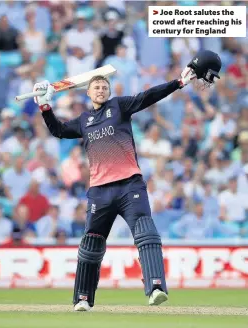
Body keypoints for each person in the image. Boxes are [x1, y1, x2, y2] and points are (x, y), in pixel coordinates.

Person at [33, 66, 197, 311]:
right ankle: (83, 298)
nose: (101, 90)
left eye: (104, 87)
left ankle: (155, 287)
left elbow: (147, 96)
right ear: (88, 93)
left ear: (109, 91)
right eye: (96, 87)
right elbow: (57, 130)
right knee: (91, 244)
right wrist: (45, 106)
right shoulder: (83, 121)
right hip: (100, 191)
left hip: (130, 185)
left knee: (146, 233)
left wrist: (178, 83)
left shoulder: (119, 106)